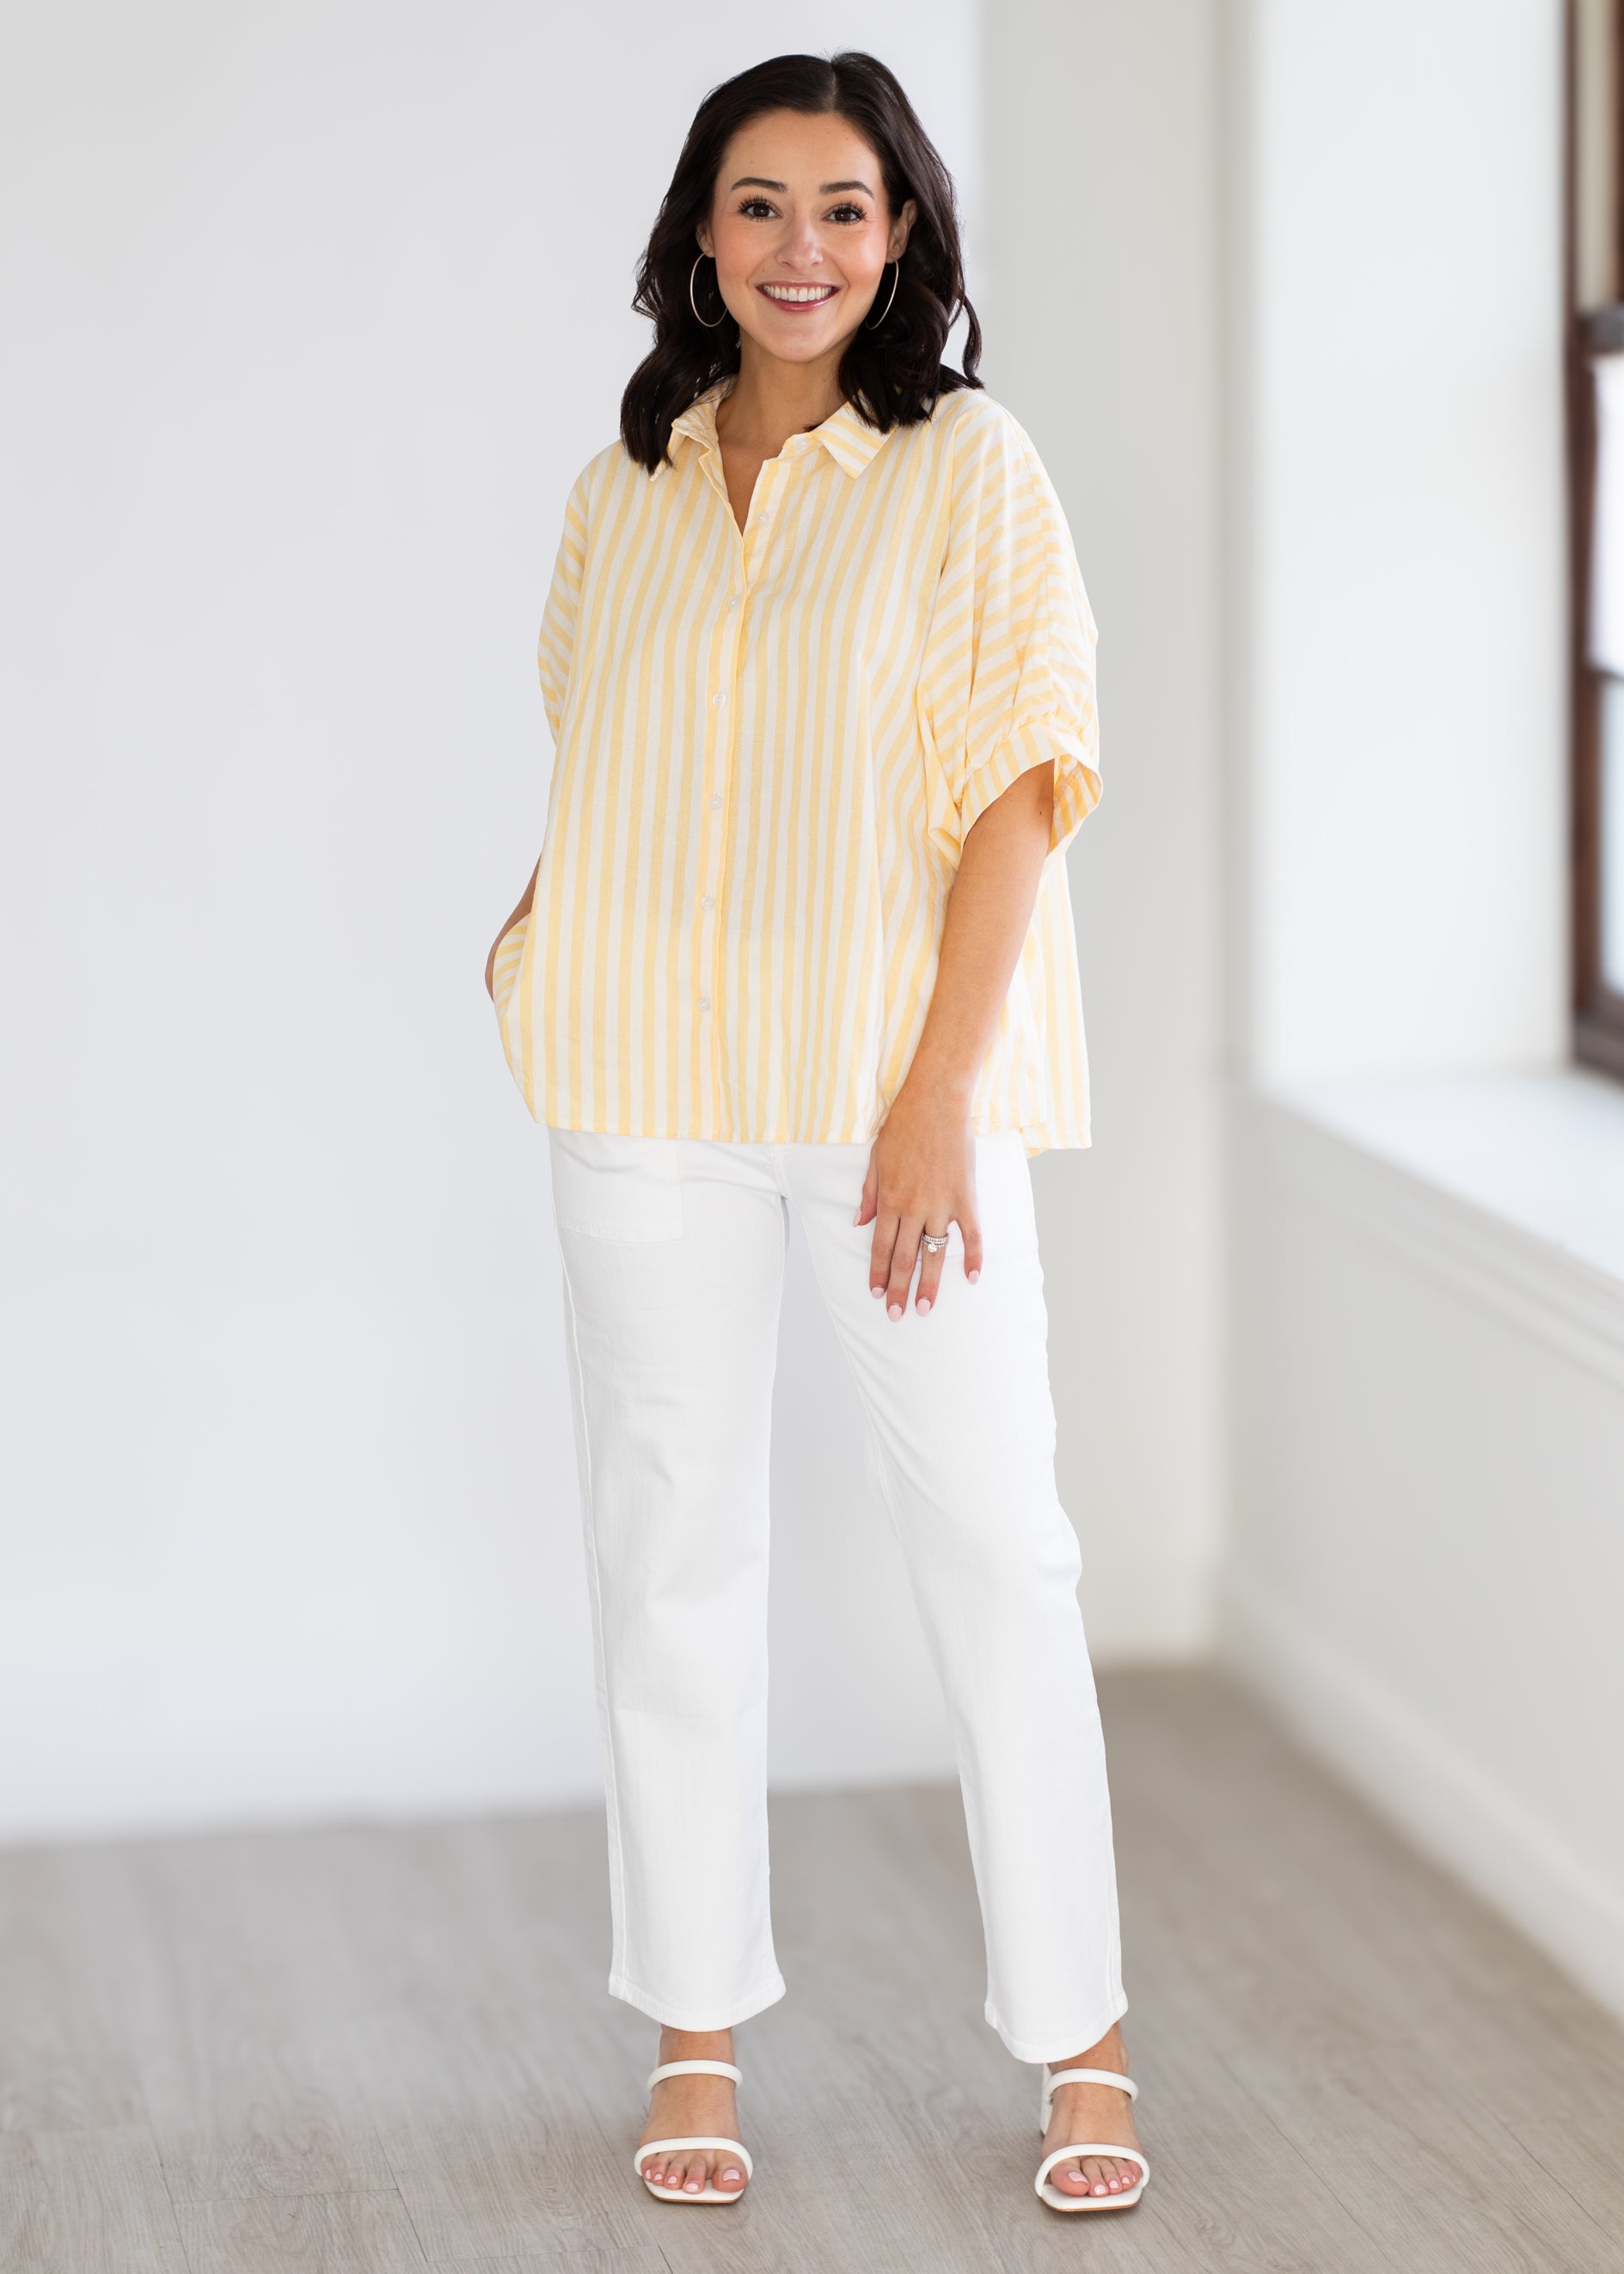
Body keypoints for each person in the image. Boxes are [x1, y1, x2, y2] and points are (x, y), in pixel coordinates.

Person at [484, 49, 1148, 2218]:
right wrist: (536, 936)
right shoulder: (627, 487)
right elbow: (599, 738)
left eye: (844, 207)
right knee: (670, 1560)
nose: (801, 248)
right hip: (640, 1093)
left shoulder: (969, 469)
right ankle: (693, 2041)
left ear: (902, 231)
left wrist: (942, 1098)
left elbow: (1027, 784)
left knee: (997, 1549)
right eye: (759, 204)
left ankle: (1083, 2041)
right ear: (702, 229)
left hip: (889, 1106)